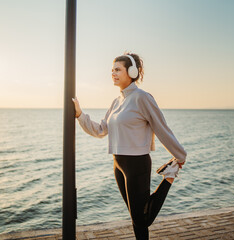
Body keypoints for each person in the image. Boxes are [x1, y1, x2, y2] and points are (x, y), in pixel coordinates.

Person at [72, 53, 187, 239]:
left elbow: (161, 127)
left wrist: (180, 155)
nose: (113, 73)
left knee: (143, 219)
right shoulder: (116, 102)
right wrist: (79, 115)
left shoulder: (142, 98)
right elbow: (100, 130)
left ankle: (169, 175)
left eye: (117, 69)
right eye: (112, 70)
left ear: (132, 72)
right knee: (136, 219)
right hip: (118, 164)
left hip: (137, 165)